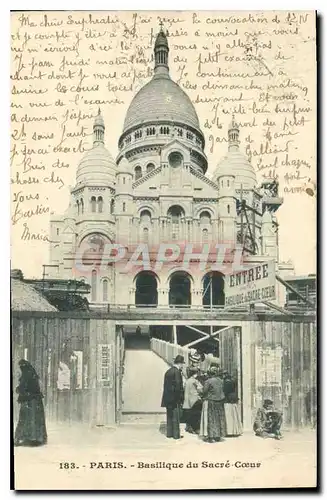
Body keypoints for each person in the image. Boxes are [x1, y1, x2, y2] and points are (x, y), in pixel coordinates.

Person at [14, 359, 47, 447]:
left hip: (28, 400)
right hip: (36, 400)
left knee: (25, 418)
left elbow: (22, 388)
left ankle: (24, 438)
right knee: (36, 419)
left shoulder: (25, 374)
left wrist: (18, 389)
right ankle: (37, 438)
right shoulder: (33, 373)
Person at [200, 364, 227, 443]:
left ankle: (211, 436)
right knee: (219, 418)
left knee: (212, 419)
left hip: (212, 401)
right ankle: (218, 435)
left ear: (210, 373)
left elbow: (204, 391)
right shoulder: (221, 380)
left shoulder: (208, 381)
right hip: (220, 401)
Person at [161, 355, 185, 440]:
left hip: (167, 398)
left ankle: (169, 433)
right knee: (176, 417)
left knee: (169, 416)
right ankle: (176, 435)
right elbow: (178, 387)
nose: (182, 366)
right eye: (182, 364)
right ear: (180, 363)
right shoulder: (177, 372)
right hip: (175, 398)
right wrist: (180, 398)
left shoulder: (168, 371)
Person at [183, 367, 203, 434]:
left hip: (187, 400)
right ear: (195, 374)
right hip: (195, 400)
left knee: (189, 414)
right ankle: (196, 429)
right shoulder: (195, 381)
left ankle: (189, 427)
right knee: (196, 415)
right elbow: (200, 390)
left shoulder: (187, 381)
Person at [223, 371, 242, 437]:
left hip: (227, 400)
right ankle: (236, 430)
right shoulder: (233, 382)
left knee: (228, 416)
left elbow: (225, 392)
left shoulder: (225, 383)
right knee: (234, 416)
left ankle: (229, 431)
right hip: (233, 399)